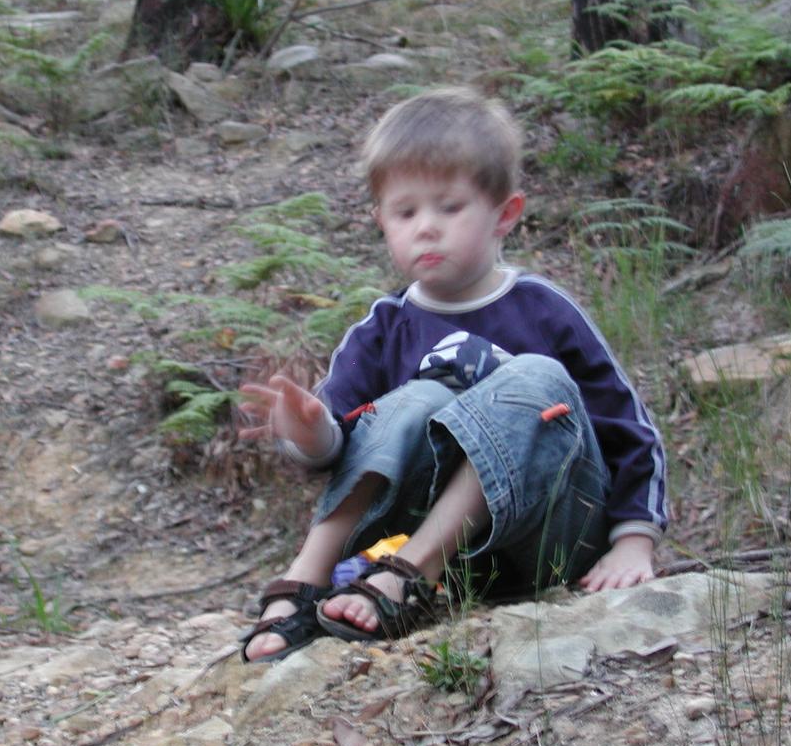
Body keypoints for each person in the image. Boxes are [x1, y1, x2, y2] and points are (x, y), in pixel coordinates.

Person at [237, 87, 667, 663]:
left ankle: (411, 575)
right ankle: (306, 580)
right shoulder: (383, 327)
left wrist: (634, 542)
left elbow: (627, 429)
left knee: (529, 377)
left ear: (504, 214)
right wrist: (311, 432)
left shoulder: (544, 311)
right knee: (414, 401)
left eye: (449, 207)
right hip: (441, 556)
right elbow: (345, 452)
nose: (426, 229)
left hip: (550, 537)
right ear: (381, 222)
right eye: (406, 212)